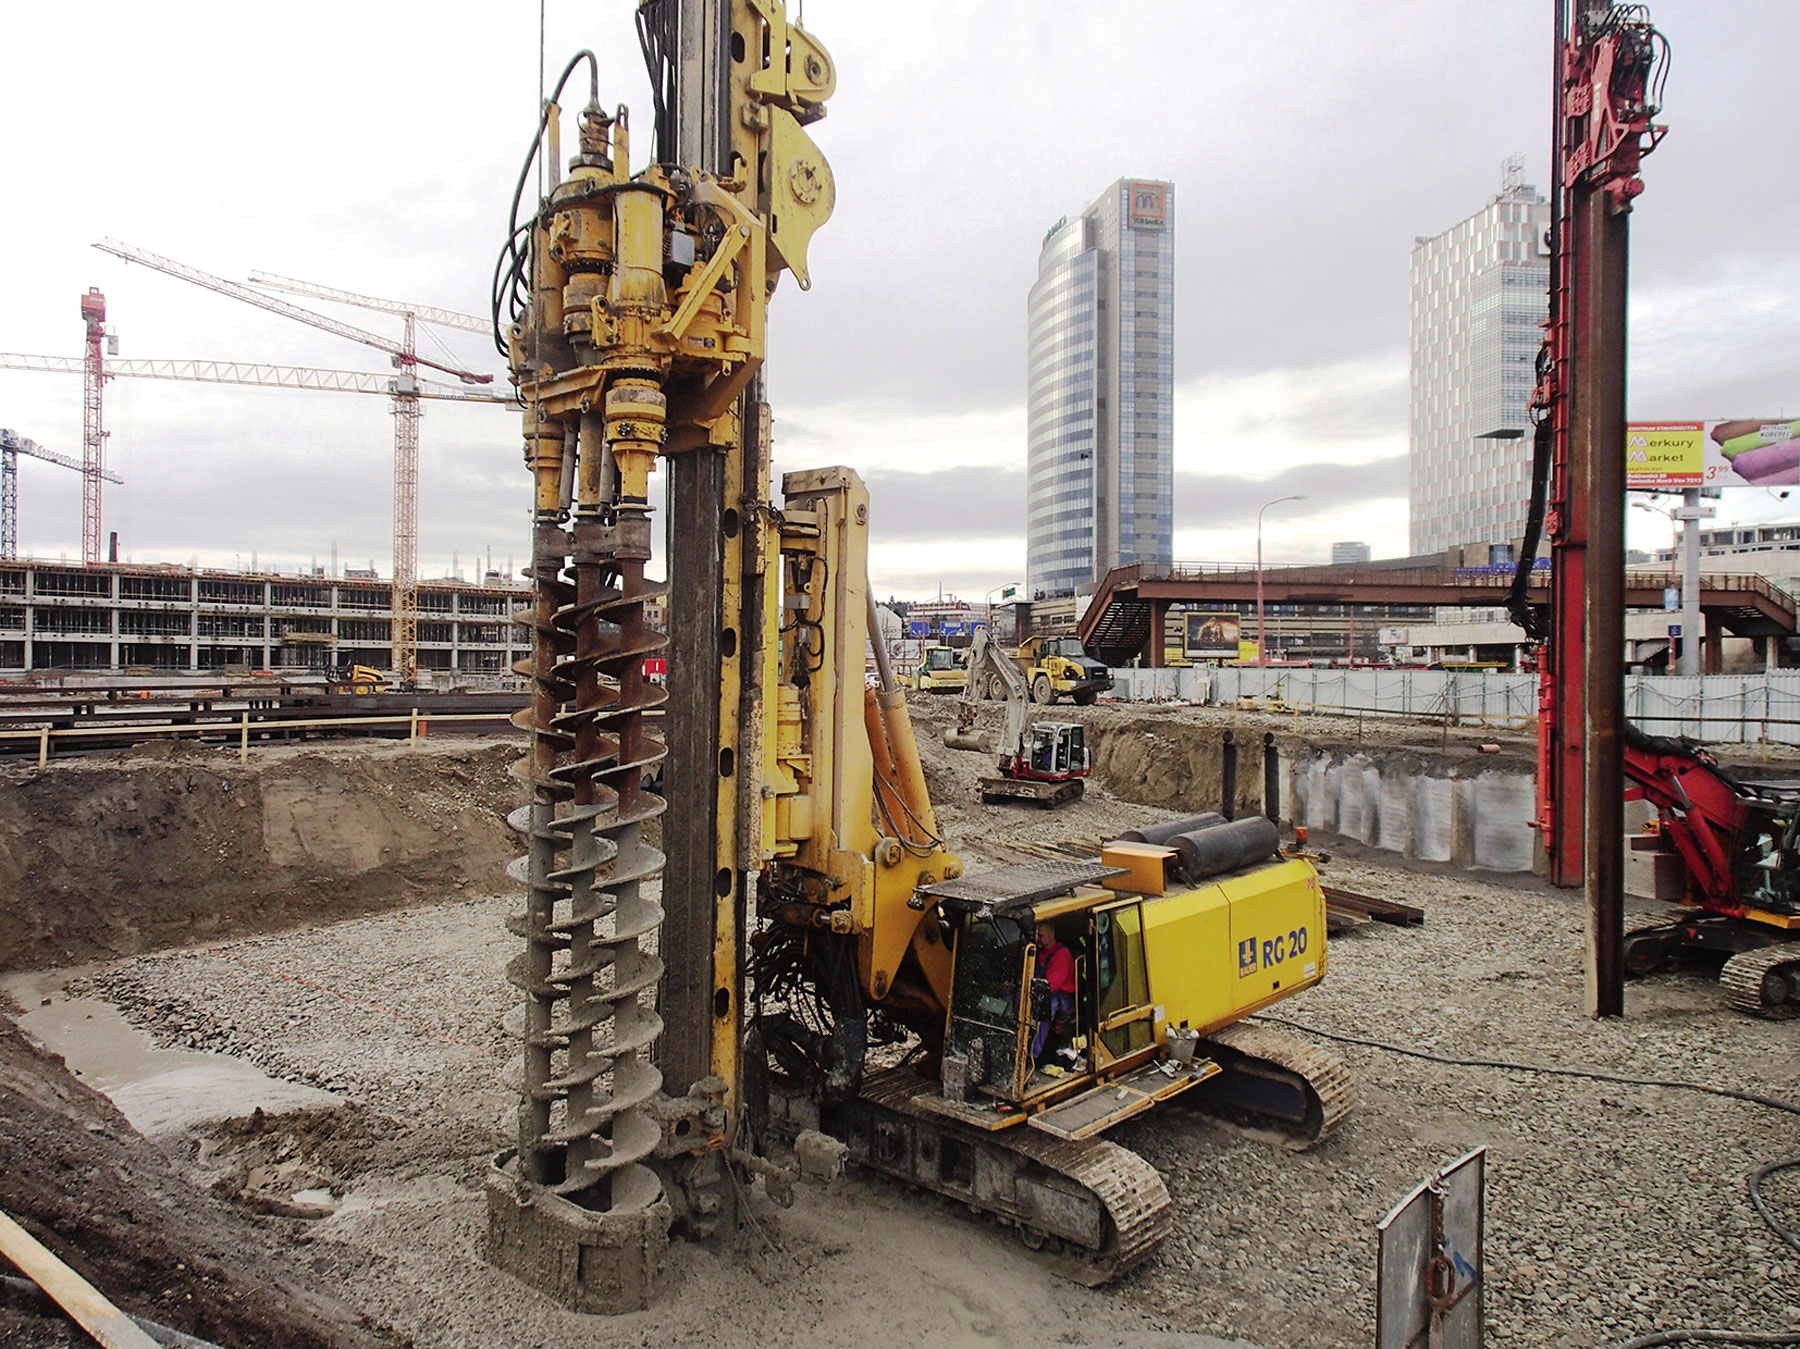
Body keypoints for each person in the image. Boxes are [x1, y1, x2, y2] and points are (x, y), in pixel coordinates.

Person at [1030, 919, 1078, 1068]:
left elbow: (1050, 985)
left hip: (1059, 997)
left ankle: (1032, 1056)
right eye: (1036, 936)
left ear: (1052, 934)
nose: (1038, 939)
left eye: (1041, 936)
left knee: (1043, 1012)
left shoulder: (1062, 955)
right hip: (1037, 992)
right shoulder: (1037, 952)